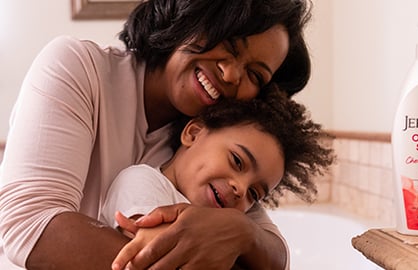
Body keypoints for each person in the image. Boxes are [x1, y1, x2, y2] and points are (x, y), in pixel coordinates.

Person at [0, 0, 313, 269]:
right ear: (191, 14)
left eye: (255, 75)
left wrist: (242, 232)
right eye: (229, 46)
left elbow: (275, 253)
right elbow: (27, 222)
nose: (231, 75)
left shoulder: (211, 148)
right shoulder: (80, 69)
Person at [99, 87, 334, 270]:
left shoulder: (236, 211)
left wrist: (245, 233)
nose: (241, 189)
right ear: (193, 133)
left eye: (255, 193)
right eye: (237, 161)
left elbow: (278, 258)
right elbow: (159, 253)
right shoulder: (142, 181)